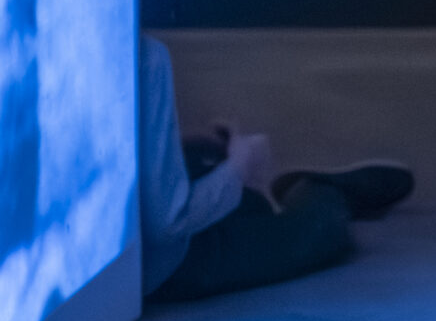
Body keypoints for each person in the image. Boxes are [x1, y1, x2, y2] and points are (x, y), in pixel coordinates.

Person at [139, 37, 414, 304]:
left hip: (145, 227)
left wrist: (176, 149)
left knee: (243, 199)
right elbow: (170, 222)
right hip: (167, 262)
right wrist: (239, 166)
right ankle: (318, 192)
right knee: (316, 234)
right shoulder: (146, 59)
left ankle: (239, 189)